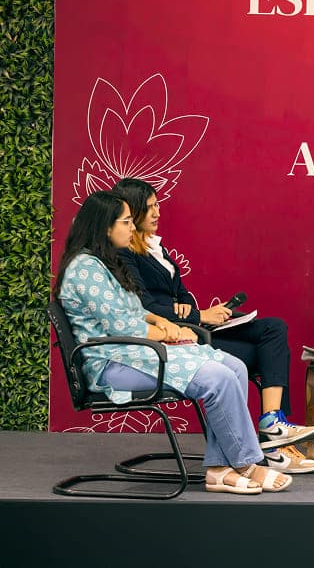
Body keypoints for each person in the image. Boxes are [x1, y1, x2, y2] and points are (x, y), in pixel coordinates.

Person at [56, 191, 294, 494]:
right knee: (217, 377)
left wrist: (161, 321)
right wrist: (175, 333)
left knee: (233, 366)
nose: (133, 228)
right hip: (113, 363)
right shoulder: (85, 268)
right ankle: (246, 462)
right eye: (127, 222)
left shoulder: (104, 262)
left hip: (135, 353)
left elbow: (134, 313)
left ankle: (220, 470)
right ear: (105, 226)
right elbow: (123, 326)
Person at [113, 178, 314, 475]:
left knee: (273, 328)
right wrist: (198, 316)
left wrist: (199, 310)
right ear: (131, 213)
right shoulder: (124, 253)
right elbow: (143, 306)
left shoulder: (157, 248)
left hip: (195, 325)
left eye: (158, 205)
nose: (158, 213)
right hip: (178, 337)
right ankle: (273, 447)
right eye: (149, 208)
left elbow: (181, 292)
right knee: (265, 355)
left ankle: (272, 422)